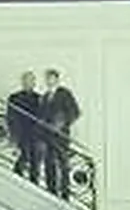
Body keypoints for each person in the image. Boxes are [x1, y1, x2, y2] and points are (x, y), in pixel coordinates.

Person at [40, 70, 82, 198]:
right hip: (48, 137)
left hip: (61, 136)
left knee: (63, 164)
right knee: (49, 164)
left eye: (52, 79)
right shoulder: (45, 97)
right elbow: (42, 116)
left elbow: (75, 112)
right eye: (47, 79)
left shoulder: (64, 93)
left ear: (57, 80)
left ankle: (65, 193)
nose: (49, 81)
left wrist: (63, 123)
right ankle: (51, 191)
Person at [5, 71, 43, 184]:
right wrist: (13, 136)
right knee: (25, 154)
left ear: (34, 83)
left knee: (36, 158)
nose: (29, 83)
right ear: (22, 82)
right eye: (26, 80)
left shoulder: (39, 99)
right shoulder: (15, 97)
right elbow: (10, 116)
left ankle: (34, 181)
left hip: (36, 134)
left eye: (31, 81)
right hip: (22, 132)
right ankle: (17, 175)